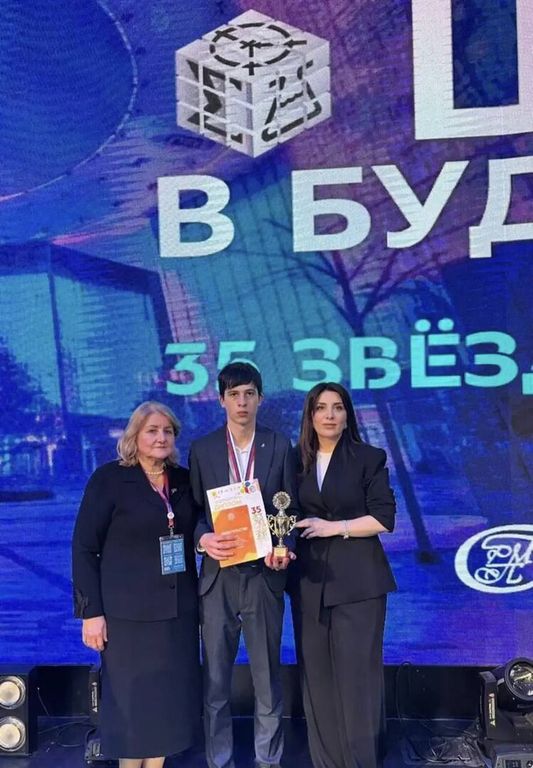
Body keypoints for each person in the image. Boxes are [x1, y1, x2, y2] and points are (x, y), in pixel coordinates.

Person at [72, 401, 201, 768]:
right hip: (126, 617)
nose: (161, 438)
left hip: (176, 615)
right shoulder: (109, 480)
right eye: (152, 430)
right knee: (131, 705)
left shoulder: (184, 480)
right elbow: (84, 548)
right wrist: (91, 613)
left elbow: (202, 528)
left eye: (168, 431)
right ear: (134, 436)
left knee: (165, 704)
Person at [189, 362, 298, 768]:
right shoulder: (202, 450)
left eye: (249, 393)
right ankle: (220, 761)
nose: (242, 402)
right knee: (215, 681)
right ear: (221, 400)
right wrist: (202, 538)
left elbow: (291, 510)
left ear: (260, 399)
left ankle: (267, 760)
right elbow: (194, 512)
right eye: (233, 395)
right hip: (218, 578)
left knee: (267, 680)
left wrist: (285, 547)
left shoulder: (279, 445)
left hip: (264, 576)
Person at [290, 382, 396, 768]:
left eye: (337, 407)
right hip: (308, 585)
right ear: (310, 415)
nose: (330, 415)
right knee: (317, 681)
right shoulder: (294, 460)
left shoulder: (369, 458)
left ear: (348, 415)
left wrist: (335, 528)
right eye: (321, 408)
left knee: (357, 681)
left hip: (359, 585)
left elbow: (384, 519)